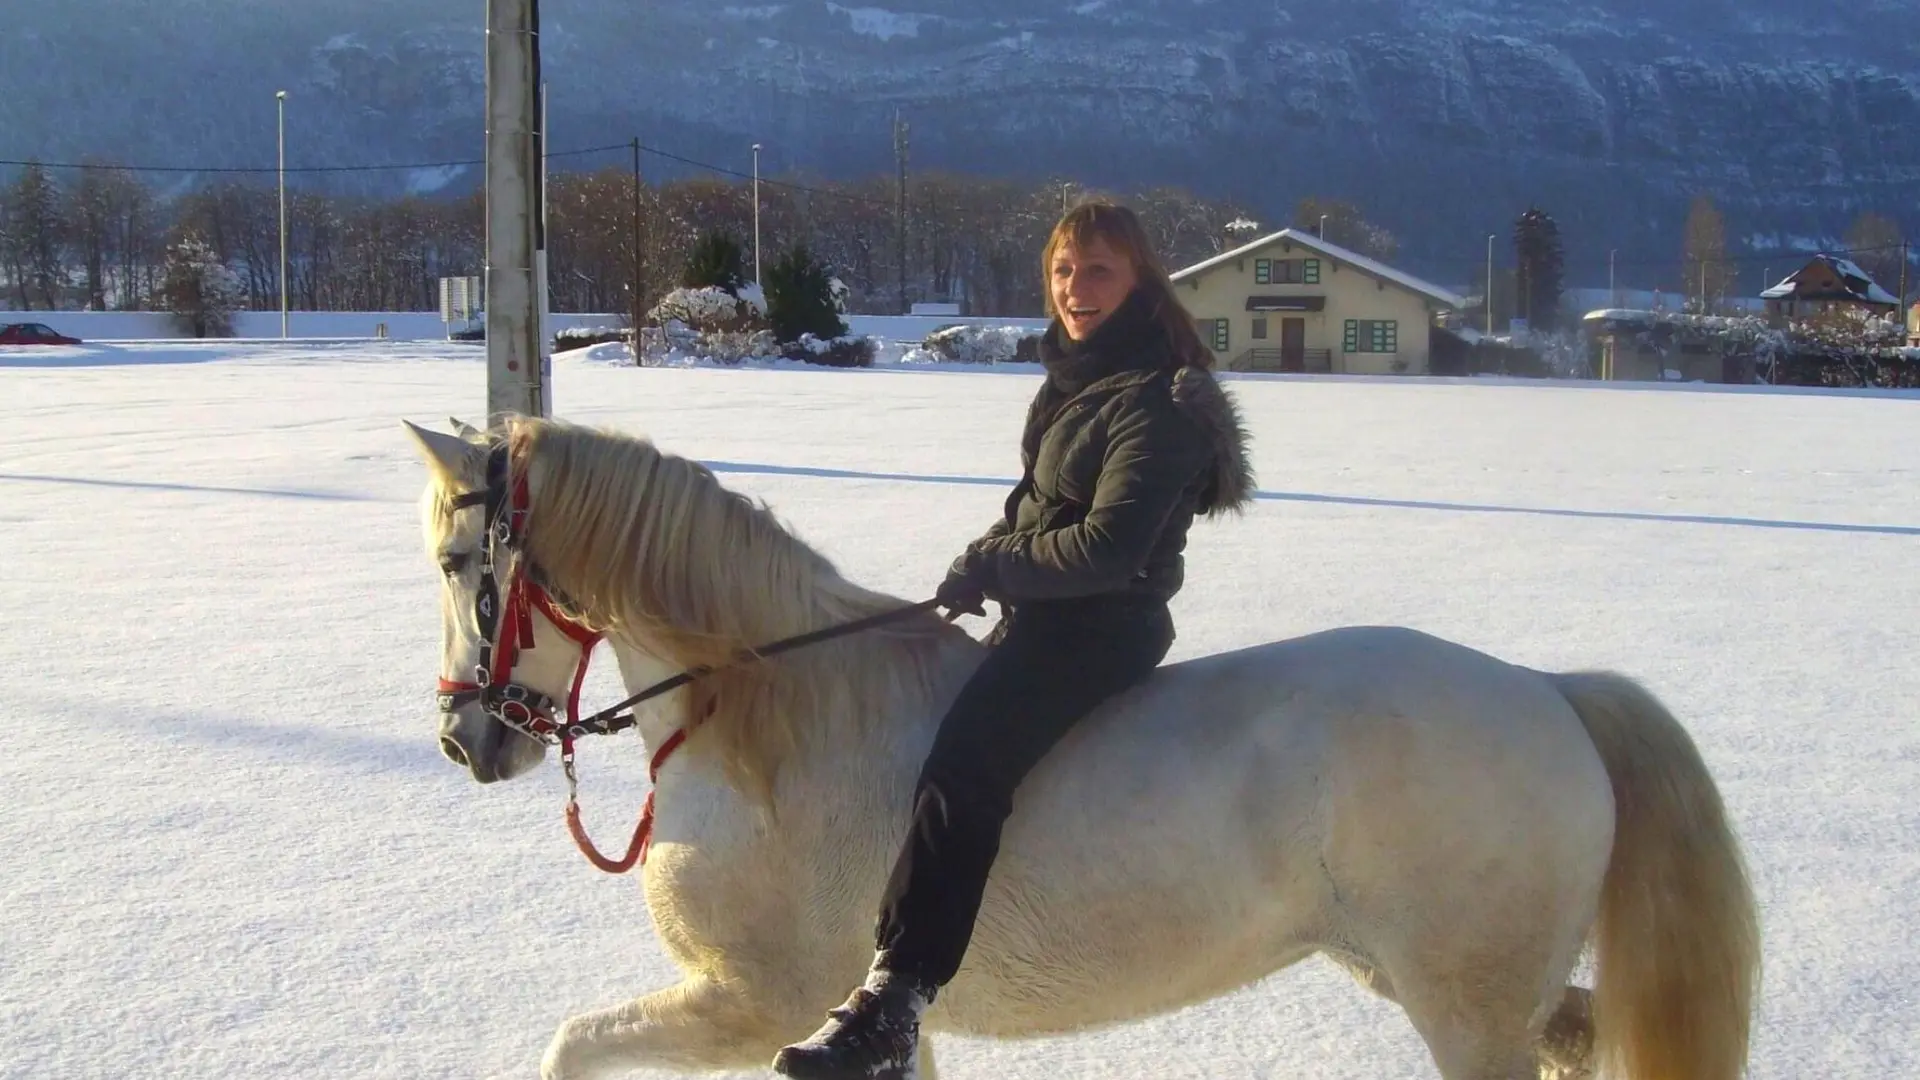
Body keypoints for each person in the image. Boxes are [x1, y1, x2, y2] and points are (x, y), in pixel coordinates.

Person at [772, 200, 1255, 1080]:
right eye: (1064, 272)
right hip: (1043, 614)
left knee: (966, 767)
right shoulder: (1080, 380)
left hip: (1102, 627)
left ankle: (896, 1003)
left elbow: (1110, 551)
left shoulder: (1160, 395)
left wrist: (998, 566)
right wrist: (986, 564)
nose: (1077, 289)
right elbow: (1040, 511)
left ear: (1141, 278)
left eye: (1100, 270)